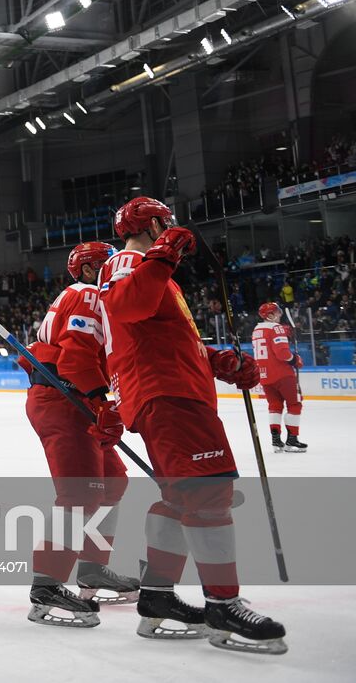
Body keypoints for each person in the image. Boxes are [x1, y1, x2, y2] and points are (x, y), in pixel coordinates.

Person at [98, 197, 286, 654]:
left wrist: (219, 360)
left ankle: (158, 598)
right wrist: (163, 253)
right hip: (168, 395)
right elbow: (126, 307)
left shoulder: (153, 272)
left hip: (170, 391)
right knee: (208, 494)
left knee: (180, 497)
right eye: (166, 223)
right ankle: (224, 604)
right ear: (155, 224)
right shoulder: (131, 259)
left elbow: (166, 337)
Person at [18, 242, 139, 629]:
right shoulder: (88, 294)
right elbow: (74, 359)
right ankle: (47, 586)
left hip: (77, 400)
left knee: (113, 481)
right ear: (89, 270)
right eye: (106, 266)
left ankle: (92, 570)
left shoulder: (96, 298)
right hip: (63, 401)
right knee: (81, 493)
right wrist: (101, 401)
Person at [252, 302, 306, 452]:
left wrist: (283, 333)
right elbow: (283, 354)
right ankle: (292, 441)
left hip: (264, 376)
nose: (280, 314)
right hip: (283, 375)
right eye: (277, 312)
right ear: (269, 315)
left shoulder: (256, 329)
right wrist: (295, 359)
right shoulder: (276, 328)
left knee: (274, 406)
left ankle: (276, 441)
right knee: (295, 404)